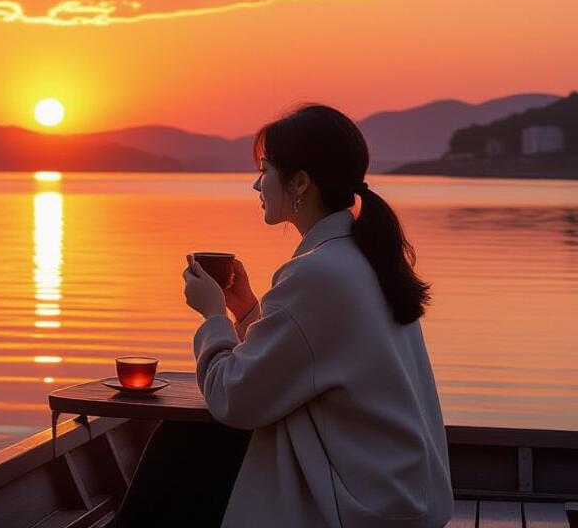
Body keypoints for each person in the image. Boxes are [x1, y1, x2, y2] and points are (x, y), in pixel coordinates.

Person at [116, 104, 452, 528]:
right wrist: (248, 312)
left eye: (265, 169)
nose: (257, 183)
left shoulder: (317, 273)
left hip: (362, 504)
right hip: (396, 489)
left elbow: (232, 398)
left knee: (185, 442)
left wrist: (212, 315)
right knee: (193, 442)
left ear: (300, 183)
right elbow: (307, 360)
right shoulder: (362, 258)